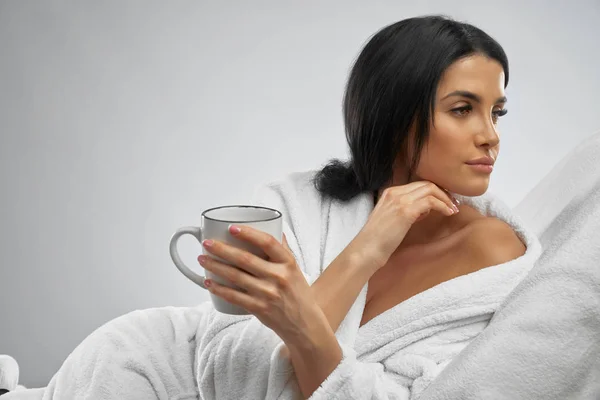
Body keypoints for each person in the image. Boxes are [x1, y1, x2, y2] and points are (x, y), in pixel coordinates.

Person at [12, 14, 551, 400]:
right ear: (393, 115)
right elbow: (236, 366)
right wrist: (365, 249)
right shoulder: (296, 203)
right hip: (150, 367)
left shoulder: (494, 256)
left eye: (497, 112)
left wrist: (303, 330)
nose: (490, 136)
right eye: (463, 109)